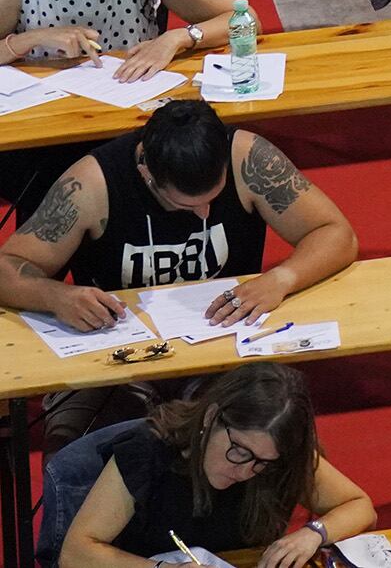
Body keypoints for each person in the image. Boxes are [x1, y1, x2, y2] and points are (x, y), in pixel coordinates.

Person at [0, 94, 357, 426]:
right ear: (147, 174)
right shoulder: (92, 184)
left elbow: (336, 233)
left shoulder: (248, 158)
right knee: (83, 446)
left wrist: (281, 278)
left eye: (213, 198)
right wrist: (56, 296)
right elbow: (8, 268)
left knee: (266, 431)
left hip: (221, 345)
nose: (203, 212)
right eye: (186, 205)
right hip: (117, 352)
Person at [51, 370, 371, 568]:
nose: (246, 471)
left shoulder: (280, 458)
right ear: (211, 418)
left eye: (263, 463)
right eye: (239, 451)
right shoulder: (149, 449)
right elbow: (77, 553)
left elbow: (359, 506)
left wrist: (312, 534)